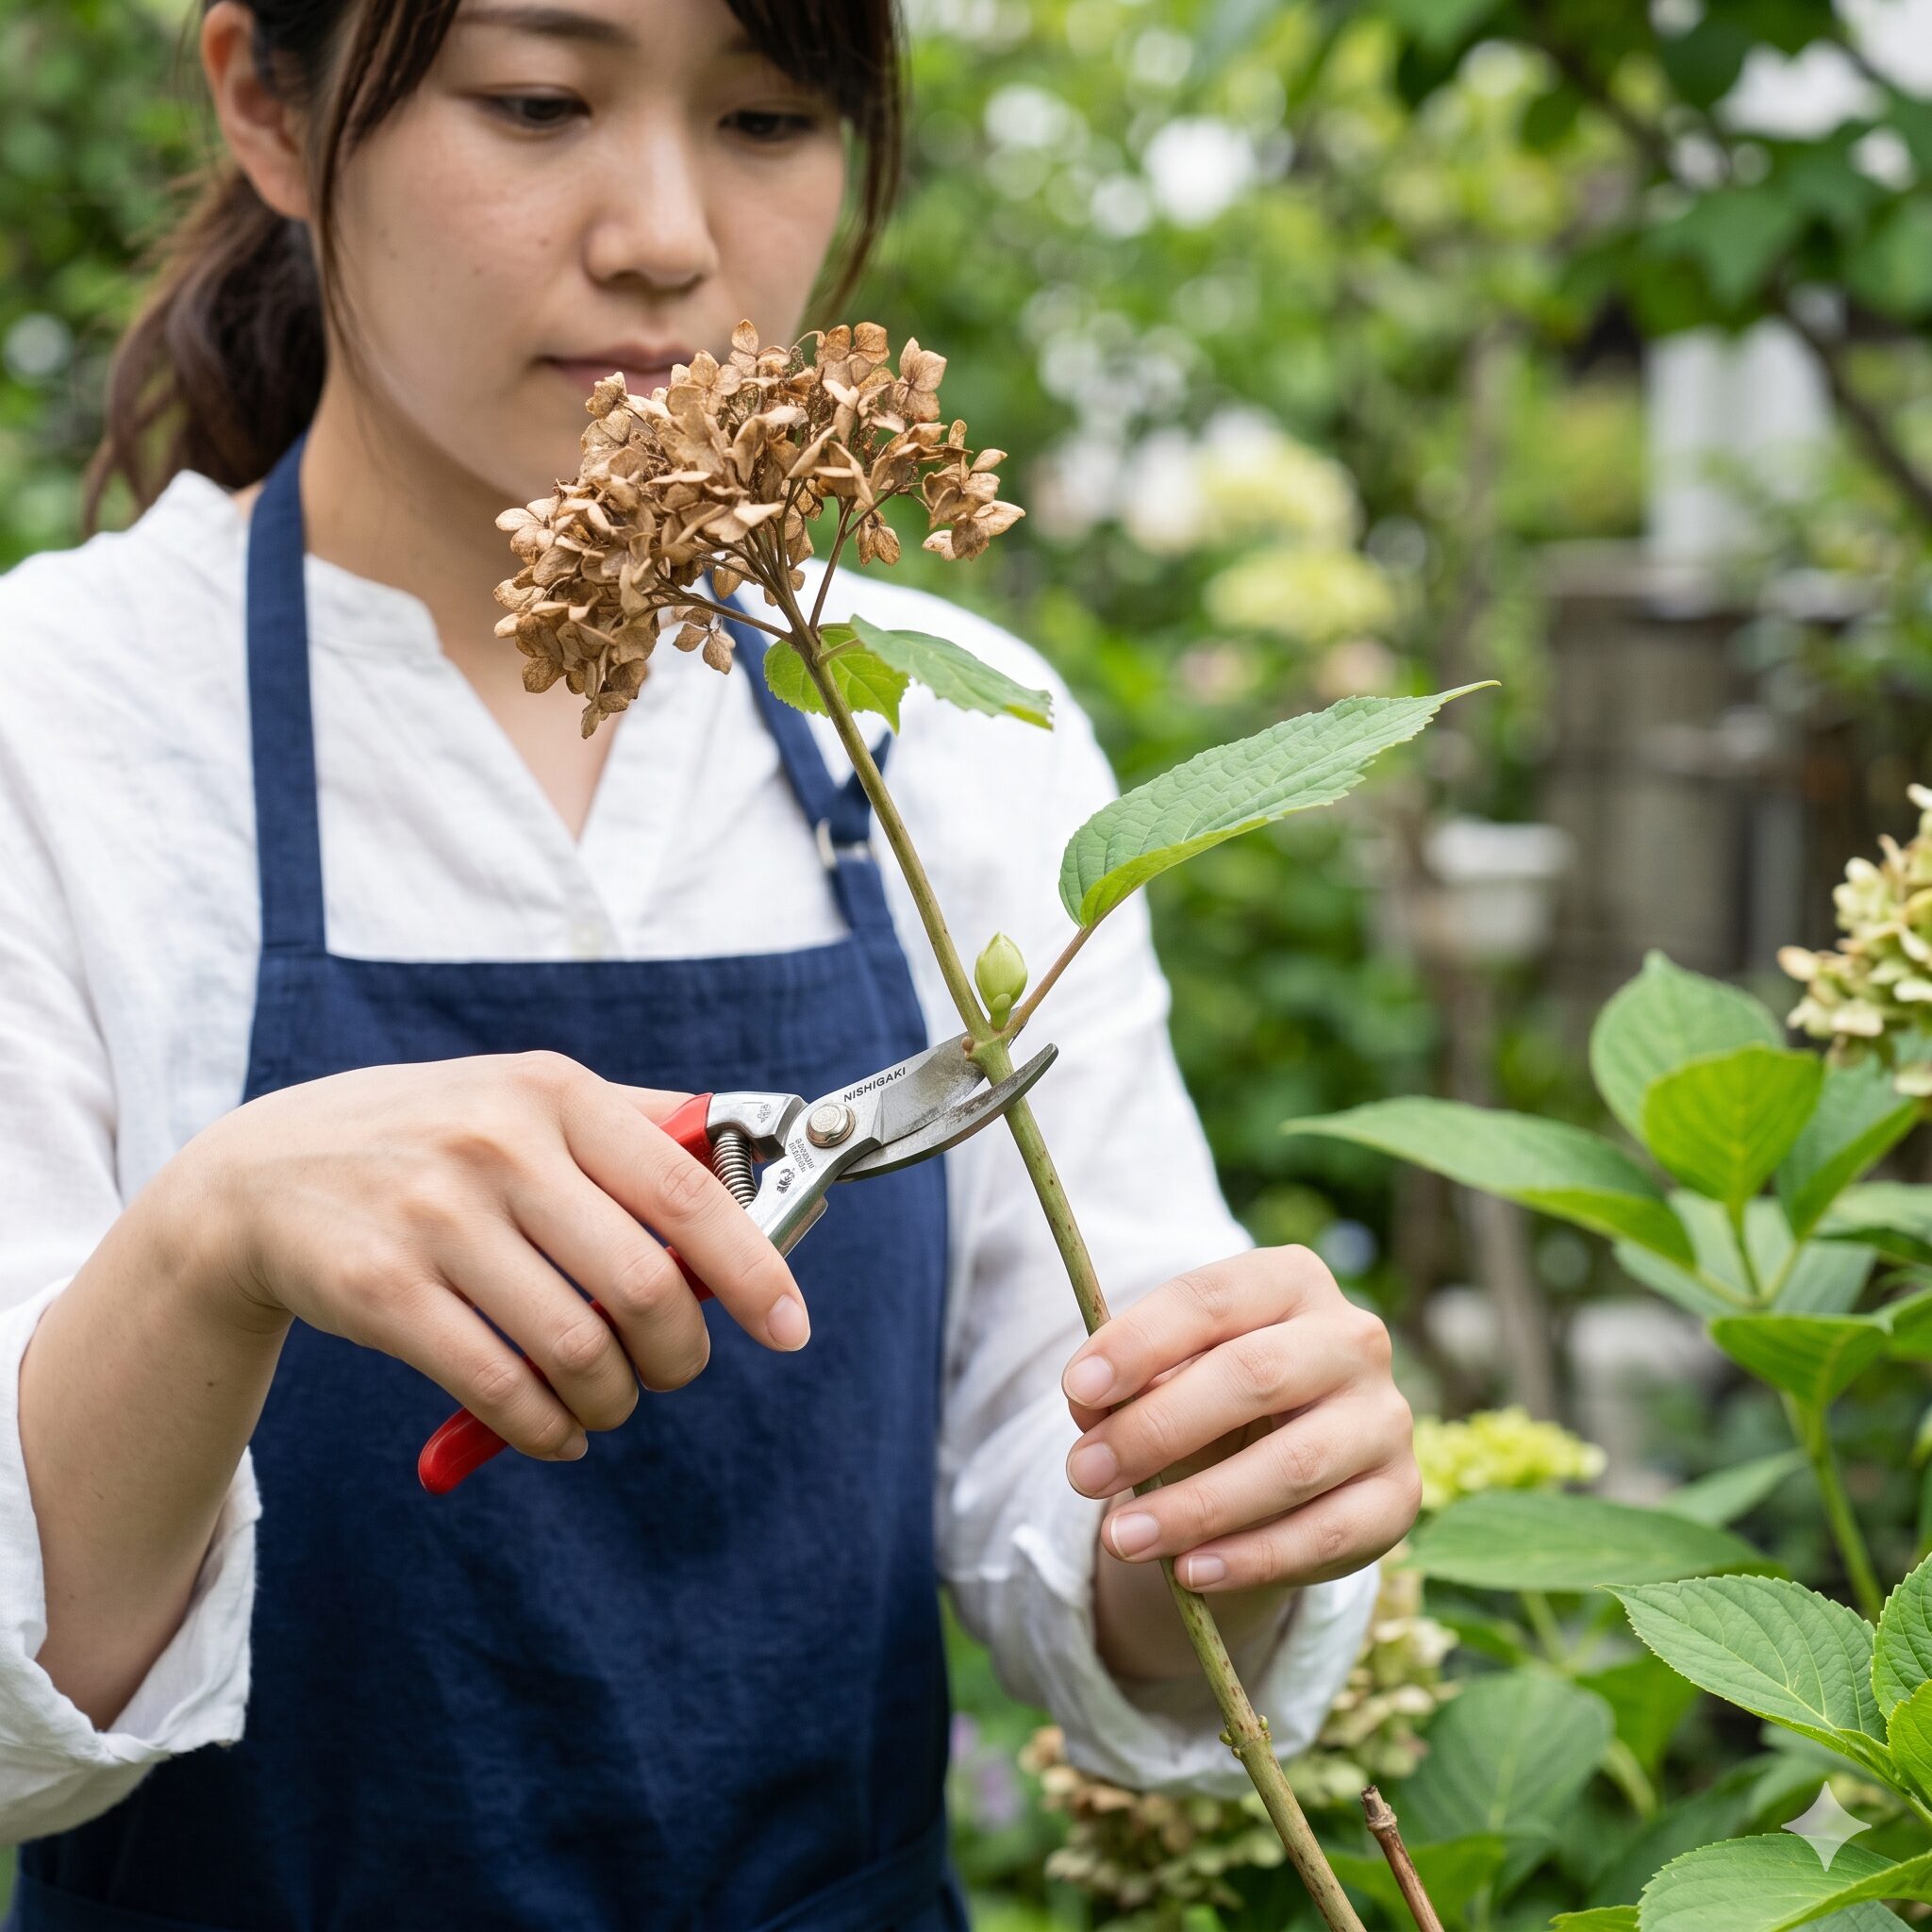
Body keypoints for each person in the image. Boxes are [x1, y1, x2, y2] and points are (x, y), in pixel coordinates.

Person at [0, 1, 1422, 1925]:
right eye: (537, 100)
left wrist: (1237, 1499)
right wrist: (207, 1241)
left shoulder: (949, 730)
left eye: (767, 115)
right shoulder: (54, 726)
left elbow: (1102, 1560)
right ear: (268, 102)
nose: (666, 229)